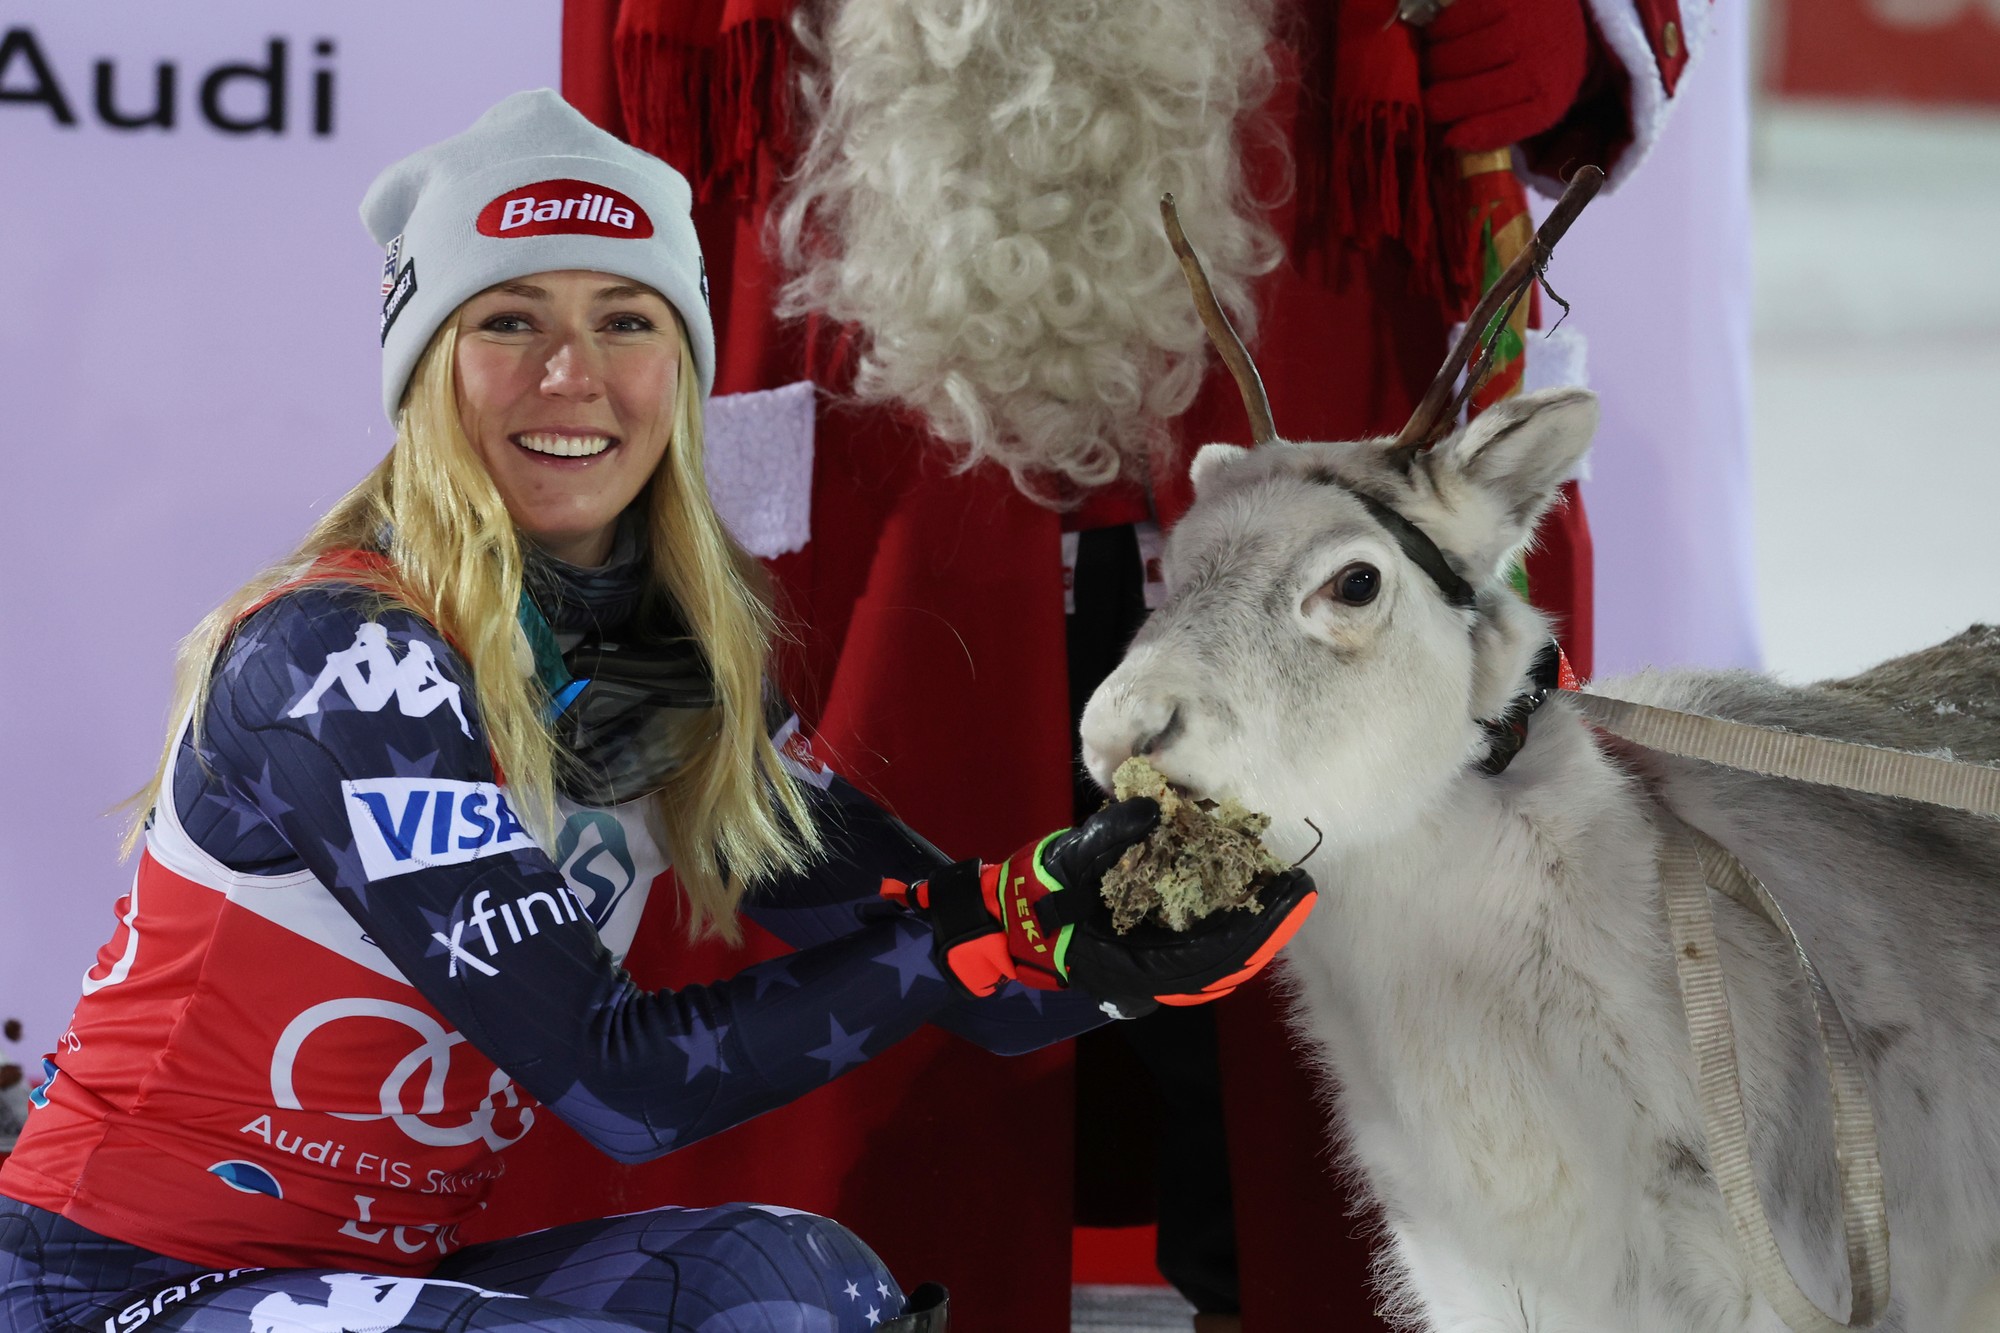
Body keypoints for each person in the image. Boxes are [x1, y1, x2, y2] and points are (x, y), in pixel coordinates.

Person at [0, 90, 1314, 1333]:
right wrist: (990, 932)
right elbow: (620, 1081)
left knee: (800, 1288)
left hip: (372, 1281)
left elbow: (976, 978)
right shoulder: (344, 657)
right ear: (424, 374)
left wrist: (1128, 924)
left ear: (677, 372)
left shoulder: (666, 669)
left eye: (628, 320)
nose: (574, 373)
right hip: (107, 1288)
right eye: (508, 320)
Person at [582, 0, 1711, 1328]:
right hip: (866, 306)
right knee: (892, 1080)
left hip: (1316, 256)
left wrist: (1584, 27)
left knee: (1332, 1084)